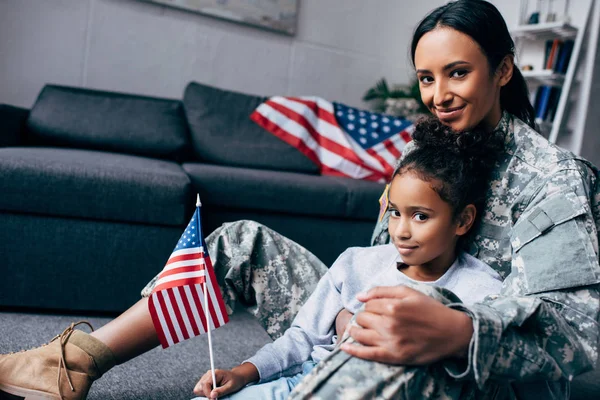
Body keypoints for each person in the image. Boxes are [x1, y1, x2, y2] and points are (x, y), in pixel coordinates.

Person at [1, 1, 599, 399]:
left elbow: (583, 350)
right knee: (239, 242)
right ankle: (73, 364)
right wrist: (345, 315)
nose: (438, 95)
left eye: (458, 73)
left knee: (389, 348)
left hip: (460, 367)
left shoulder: (553, 180)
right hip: (366, 330)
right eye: (425, 77)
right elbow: (382, 257)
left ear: (501, 71)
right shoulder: (424, 152)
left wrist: (456, 333)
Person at [192, 116, 504, 400]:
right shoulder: (356, 263)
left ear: (463, 220)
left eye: (421, 217)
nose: (401, 231)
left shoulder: (480, 290)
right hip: (302, 384)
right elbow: (302, 338)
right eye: (395, 213)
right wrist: (242, 373)